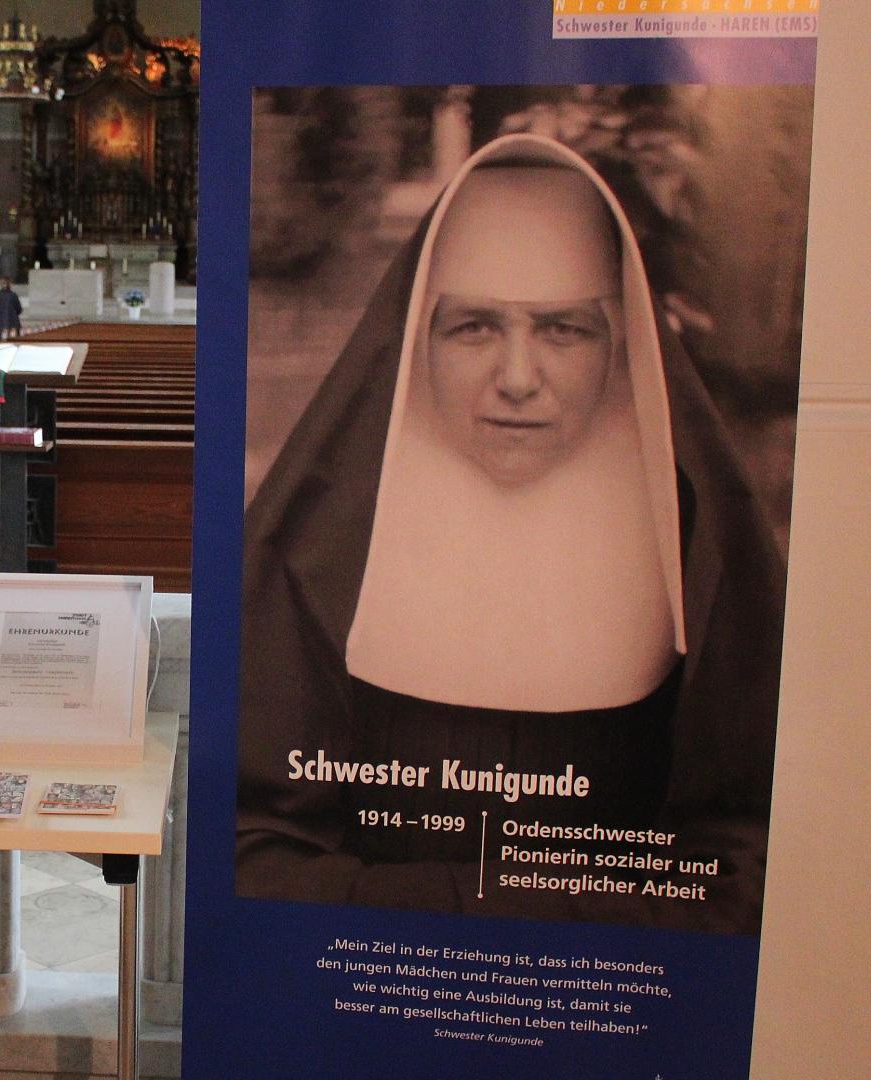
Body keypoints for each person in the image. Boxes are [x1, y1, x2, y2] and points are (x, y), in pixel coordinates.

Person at [234, 133, 787, 935]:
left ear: (622, 342)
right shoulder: (311, 556)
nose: (518, 378)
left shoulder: (702, 553)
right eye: (473, 328)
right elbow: (250, 850)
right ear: (416, 343)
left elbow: (750, 850)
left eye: (564, 329)